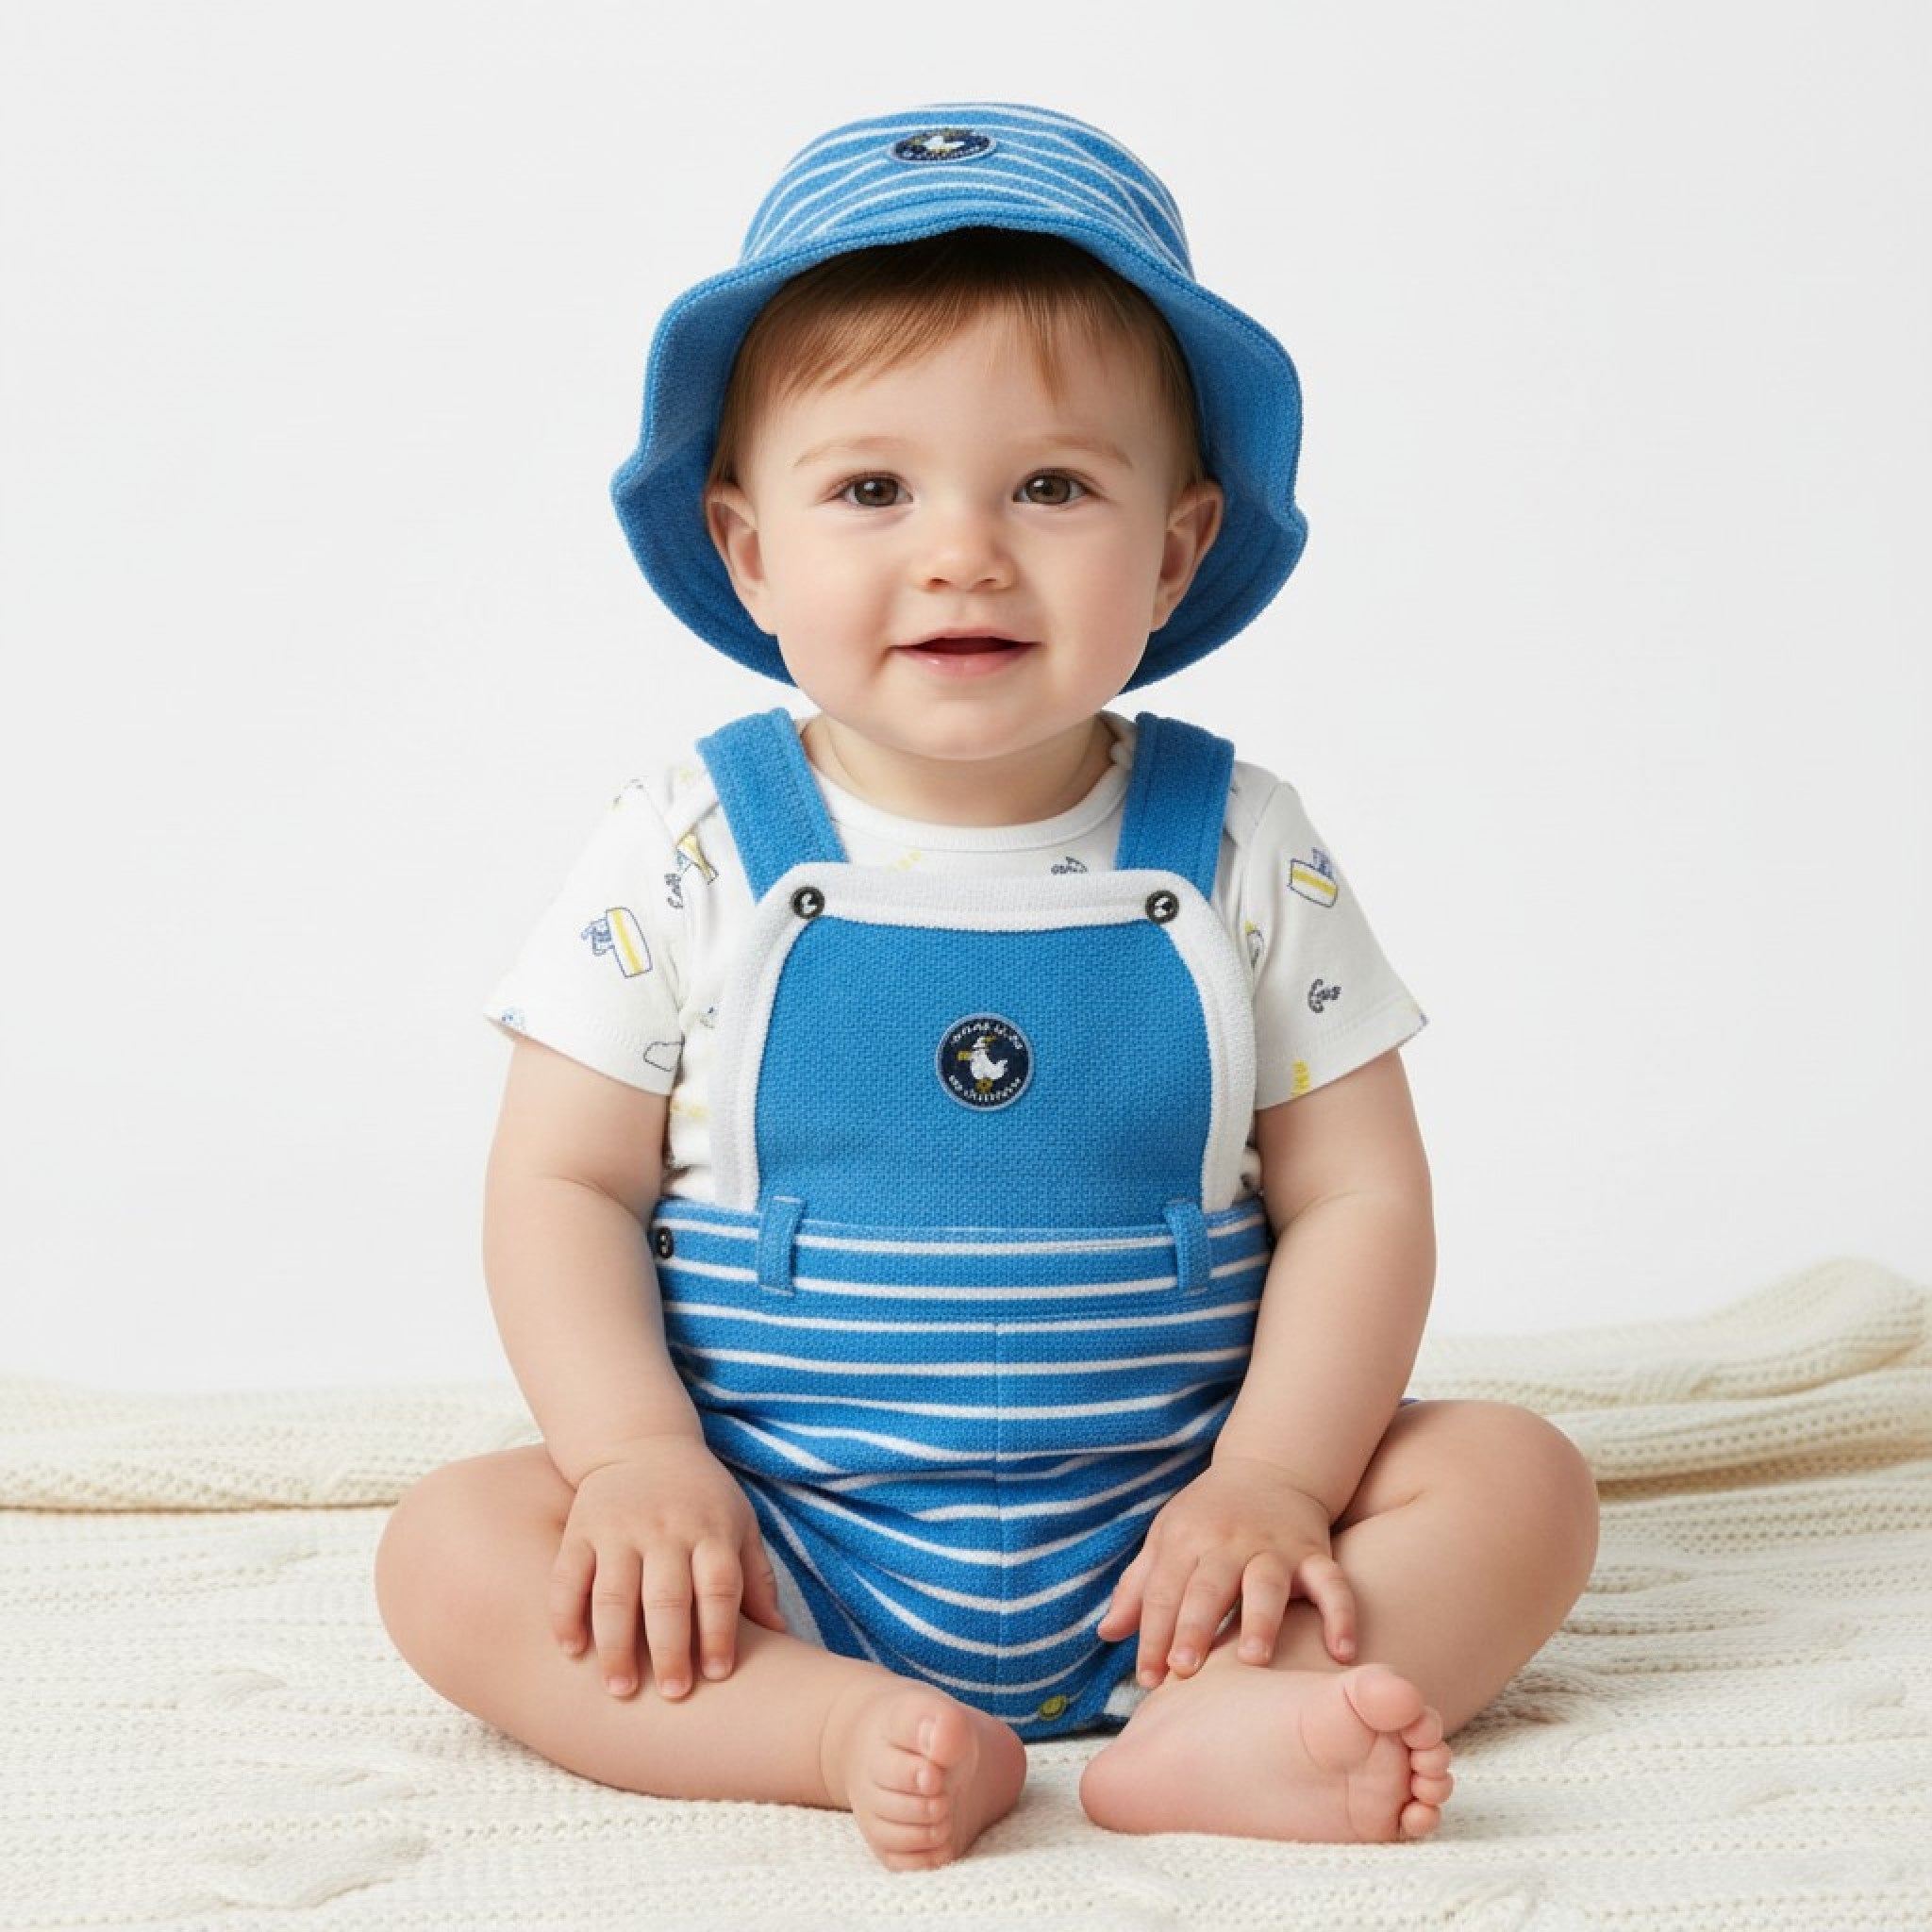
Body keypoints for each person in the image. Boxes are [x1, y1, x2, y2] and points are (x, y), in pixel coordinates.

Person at [375, 102, 1600, 1871]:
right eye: (872, 488)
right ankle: (827, 1726)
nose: (963, 548)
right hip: (772, 1541)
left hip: (1180, 1543)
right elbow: (560, 1178)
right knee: (452, 1545)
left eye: (1051, 485)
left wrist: (1268, 1482)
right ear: (748, 549)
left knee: (1516, 1483)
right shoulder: (687, 844)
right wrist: (643, 1458)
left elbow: (1361, 1198)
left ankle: (1212, 1726)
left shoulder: (1244, 843)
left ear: (1172, 553)